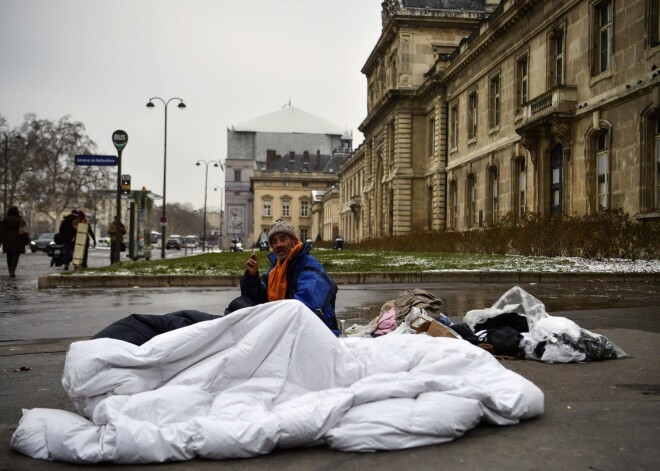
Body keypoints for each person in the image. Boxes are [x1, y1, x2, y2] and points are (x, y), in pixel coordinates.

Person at [226, 219, 340, 336]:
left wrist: (267, 323)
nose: (278, 244)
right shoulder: (276, 269)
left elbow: (303, 310)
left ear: (294, 241)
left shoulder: (309, 267)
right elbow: (259, 300)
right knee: (237, 306)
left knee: (238, 315)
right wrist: (251, 277)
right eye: (274, 241)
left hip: (316, 335)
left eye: (282, 238)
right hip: (286, 328)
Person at [0, 206, 29, 277]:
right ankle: (12, 270)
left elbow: (1, 231)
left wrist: (1, 240)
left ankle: (10, 268)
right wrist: (25, 240)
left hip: (7, 240)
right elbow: (24, 231)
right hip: (18, 240)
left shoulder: (5, 220)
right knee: (16, 255)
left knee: (9, 255)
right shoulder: (20, 220)